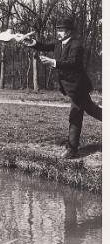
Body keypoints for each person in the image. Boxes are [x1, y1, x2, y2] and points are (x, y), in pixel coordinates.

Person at [21, 17, 102, 159]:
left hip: (78, 86)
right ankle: (72, 147)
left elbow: (73, 63)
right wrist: (32, 43)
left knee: (75, 115)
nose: (59, 32)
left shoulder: (77, 45)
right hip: (70, 87)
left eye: (62, 30)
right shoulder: (59, 43)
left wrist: (53, 62)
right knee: (92, 110)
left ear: (69, 31)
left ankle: (72, 149)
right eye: (58, 29)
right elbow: (45, 46)